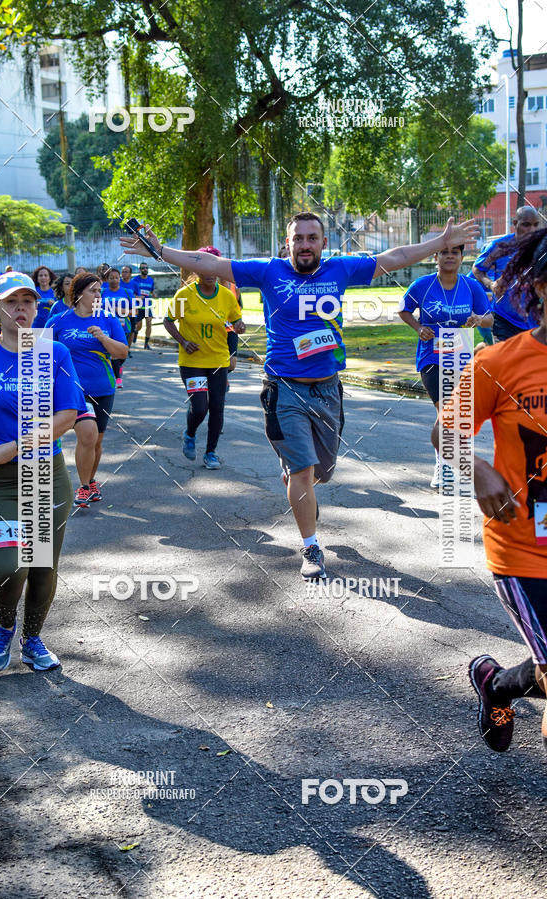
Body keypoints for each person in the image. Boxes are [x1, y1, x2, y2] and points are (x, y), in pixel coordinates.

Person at [122, 213, 480, 579]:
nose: (305, 244)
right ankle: (311, 546)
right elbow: (208, 262)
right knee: (303, 471)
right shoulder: (269, 272)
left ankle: (297, 479)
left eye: (312, 238)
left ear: (323, 242)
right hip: (284, 388)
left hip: (328, 389)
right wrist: (161, 251)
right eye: (298, 238)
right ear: (288, 242)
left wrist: (439, 243)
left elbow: (395, 257)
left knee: (322, 471)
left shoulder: (341, 269)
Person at [431, 228, 547, 753]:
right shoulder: (498, 363)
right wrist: (476, 470)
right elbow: (444, 433)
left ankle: (496, 685)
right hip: (525, 551)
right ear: (540, 287)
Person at [0, 271, 85, 671]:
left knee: (41, 566)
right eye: (11, 302)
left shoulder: (51, 352)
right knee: (11, 566)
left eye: (27, 301)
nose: (20, 308)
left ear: (37, 309)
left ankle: (32, 639)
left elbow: (67, 416)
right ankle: (5, 626)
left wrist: (17, 446)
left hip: (43, 474)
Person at [398, 244, 493, 487]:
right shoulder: (422, 285)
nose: (449, 256)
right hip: (431, 356)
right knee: (446, 411)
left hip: (461, 355)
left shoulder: (471, 286)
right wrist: (419, 328)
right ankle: (442, 466)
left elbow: (490, 318)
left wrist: (478, 319)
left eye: (454, 252)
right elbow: (403, 309)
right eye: (444, 252)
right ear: (436, 256)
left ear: (461, 257)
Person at [46, 272, 128, 507]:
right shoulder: (58, 320)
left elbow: (122, 352)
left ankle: (90, 481)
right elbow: (42, 354)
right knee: (88, 435)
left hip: (103, 387)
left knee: (96, 440)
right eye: (93, 290)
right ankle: (83, 487)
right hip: (72, 390)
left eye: (100, 291)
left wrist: (103, 338)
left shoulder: (108, 319)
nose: (98, 295)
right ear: (79, 293)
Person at [162, 247, 244, 469]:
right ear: (196, 270)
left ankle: (211, 453)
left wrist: (239, 325)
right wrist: (183, 341)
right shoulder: (185, 295)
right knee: (200, 407)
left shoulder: (227, 296)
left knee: (217, 407)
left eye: (213, 267)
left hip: (218, 361)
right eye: (203, 267)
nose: (209, 273)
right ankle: (190, 433)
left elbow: (235, 321)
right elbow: (168, 321)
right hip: (193, 362)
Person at [471, 206, 541, 342]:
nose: (532, 230)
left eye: (535, 225)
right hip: (504, 319)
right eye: (526, 225)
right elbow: (477, 268)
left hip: (535, 321)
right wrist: (491, 284)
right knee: (503, 356)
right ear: (515, 223)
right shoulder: (500, 247)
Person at [101, 267, 134, 384]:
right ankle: (118, 378)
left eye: (116, 277)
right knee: (112, 353)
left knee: (122, 353)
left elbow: (134, 311)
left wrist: (118, 310)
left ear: (120, 279)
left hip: (123, 326)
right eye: (111, 278)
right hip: (107, 327)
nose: (114, 280)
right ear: (107, 279)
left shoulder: (127, 292)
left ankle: (118, 367)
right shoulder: (102, 292)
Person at [133, 262, 156, 349]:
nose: (145, 269)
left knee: (149, 323)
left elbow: (152, 290)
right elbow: (131, 293)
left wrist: (154, 294)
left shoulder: (150, 280)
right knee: (139, 326)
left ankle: (146, 344)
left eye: (146, 268)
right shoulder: (135, 280)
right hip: (138, 306)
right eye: (143, 268)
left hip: (147, 306)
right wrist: (138, 297)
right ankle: (135, 332)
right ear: (140, 270)